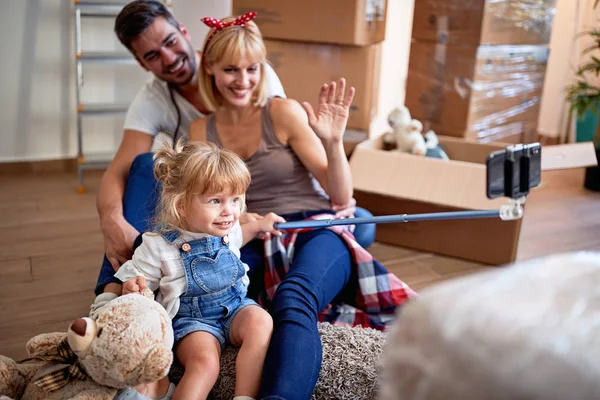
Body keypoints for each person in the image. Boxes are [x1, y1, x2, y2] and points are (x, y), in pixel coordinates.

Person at [92, 0, 375, 316]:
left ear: (183, 31)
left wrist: (333, 144)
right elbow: (121, 170)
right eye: (153, 55)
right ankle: (114, 293)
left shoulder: (266, 95)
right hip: (232, 212)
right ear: (143, 64)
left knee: (360, 221)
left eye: (170, 42)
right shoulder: (173, 112)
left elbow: (292, 167)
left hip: (285, 209)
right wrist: (112, 222)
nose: (169, 58)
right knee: (146, 166)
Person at [187, 13, 402, 400]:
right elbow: (200, 205)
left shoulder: (282, 112)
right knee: (215, 298)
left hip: (314, 225)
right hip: (251, 233)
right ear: (211, 69)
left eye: (253, 68)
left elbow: (340, 198)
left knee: (294, 296)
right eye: (231, 69)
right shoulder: (200, 131)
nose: (244, 80)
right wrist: (240, 217)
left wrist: (334, 143)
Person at [116, 140, 283, 400]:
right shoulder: (159, 245)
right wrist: (133, 287)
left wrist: (262, 224)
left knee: (262, 322)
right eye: (215, 201)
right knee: (205, 363)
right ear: (181, 205)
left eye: (235, 199)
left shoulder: (226, 230)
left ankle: (244, 397)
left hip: (235, 307)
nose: (229, 211)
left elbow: (242, 233)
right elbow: (135, 277)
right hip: (193, 322)